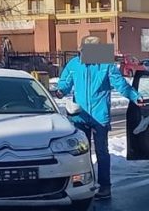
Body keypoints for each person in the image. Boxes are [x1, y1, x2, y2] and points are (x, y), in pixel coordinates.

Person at [57, 36, 141, 200]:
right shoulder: (74, 64)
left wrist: (136, 97)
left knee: (102, 152)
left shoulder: (106, 64)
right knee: (81, 153)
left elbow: (120, 84)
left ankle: (105, 186)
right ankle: (84, 184)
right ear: (81, 50)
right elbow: (65, 83)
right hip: (79, 116)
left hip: (100, 115)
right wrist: (61, 90)